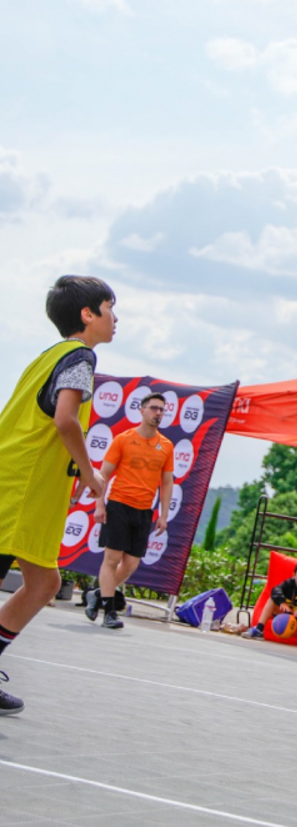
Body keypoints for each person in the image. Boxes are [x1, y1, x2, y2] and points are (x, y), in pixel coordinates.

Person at [0, 276, 116, 714]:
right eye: (109, 307)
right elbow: (66, 420)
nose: (115, 317)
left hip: (19, 477)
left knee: (45, 582)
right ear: (88, 315)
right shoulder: (80, 357)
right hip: (18, 483)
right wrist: (89, 474)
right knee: (39, 581)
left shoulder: (51, 354)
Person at [83, 392, 174, 629]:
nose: (158, 413)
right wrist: (99, 505)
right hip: (119, 505)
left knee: (131, 564)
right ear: (142, 410)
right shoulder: (123, 439)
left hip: (144, 510)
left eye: (162, 410)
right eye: (154, 408)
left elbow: (166, 483)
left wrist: (163, 515)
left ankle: (98, 594)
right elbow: (103, 475)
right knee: (111, 559)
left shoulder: (166, 446)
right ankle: (109, 612)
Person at [242, 561, 297, 639]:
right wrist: (282, 602)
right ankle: (259, 629)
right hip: (285, 613)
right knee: (272, 599)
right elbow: (276, 590)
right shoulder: (288, 583)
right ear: (294, 575)